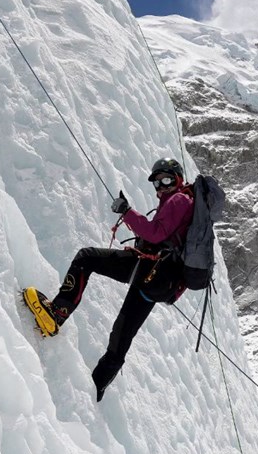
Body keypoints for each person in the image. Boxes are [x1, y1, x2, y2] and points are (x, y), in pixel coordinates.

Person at [44, 157, 194, 401]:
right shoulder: (184, 201)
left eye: (166, 179)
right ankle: (98, 385)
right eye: (157, 183)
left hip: (148, 269)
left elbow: (155, 234)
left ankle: (58, 312)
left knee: (86, 258)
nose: (162, 186)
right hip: (159, 281)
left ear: (178, 179)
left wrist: (126, 211)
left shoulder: (178, 200)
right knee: (123, 331)